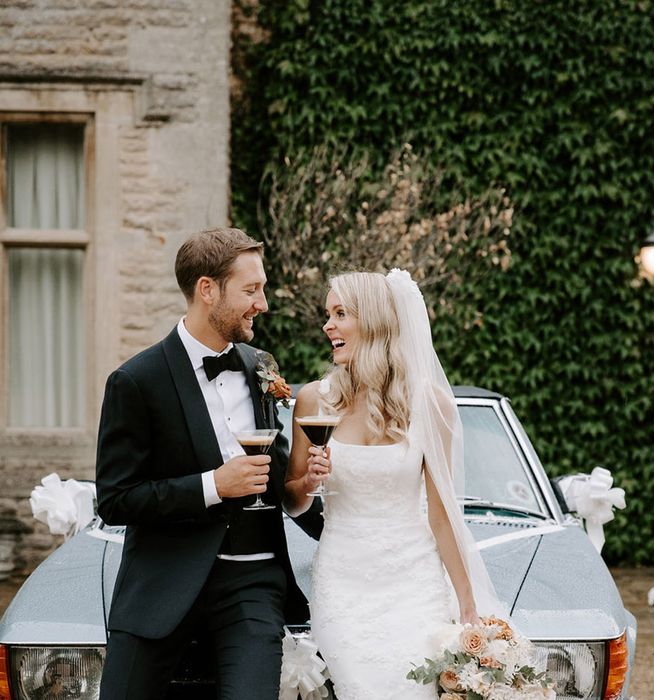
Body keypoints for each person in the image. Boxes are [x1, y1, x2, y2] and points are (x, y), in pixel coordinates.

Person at [95, 227, 322, 700]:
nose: (263, 303)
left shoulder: (261, 365)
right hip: (162, 582)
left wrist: (336, 513)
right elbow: (116, 499)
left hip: (253, 584)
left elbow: (279, 480)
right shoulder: (136, 381)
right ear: (207, 290)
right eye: (251, 290)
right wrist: (213, 485)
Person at [284, 269, 506, 699]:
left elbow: (443, 518)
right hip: (343, 584)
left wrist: (467, 604)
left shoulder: (429, 403)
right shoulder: (315, 400)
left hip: (414, 583)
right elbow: (292, 501)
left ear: (374, 321)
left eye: (340, 313)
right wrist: (309, 481)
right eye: (327, 314)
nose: (327, 325)